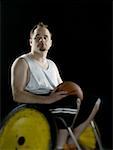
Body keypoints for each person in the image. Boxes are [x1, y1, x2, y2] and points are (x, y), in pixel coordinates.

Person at [11, 22, 101, 150]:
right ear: (31, 42)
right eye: (37, 37)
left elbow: (61, 87)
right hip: (36, 104)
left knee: (94, 101)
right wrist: (47, 99)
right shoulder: (22, 62)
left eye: (45, 37)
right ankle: (58, 147)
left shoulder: (52, 65)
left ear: (50, 42)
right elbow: (17, 95)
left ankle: (70, 141)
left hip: (54, 100)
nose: (42, 39)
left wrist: (71, 93)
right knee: (68, 102)